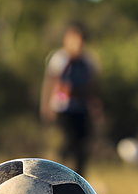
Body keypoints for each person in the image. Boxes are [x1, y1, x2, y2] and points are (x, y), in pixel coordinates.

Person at [40, 23, 102, 176]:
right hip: (63, 108)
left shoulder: (88, 61)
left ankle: (79, 180)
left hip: (81, 109)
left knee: (82, 147)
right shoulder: (59, 59)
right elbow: (51, 83)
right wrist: (46, 105)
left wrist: (96, 109)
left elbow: (93, 88)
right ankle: (51, 176)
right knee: (65, 144)